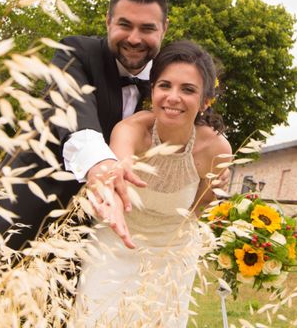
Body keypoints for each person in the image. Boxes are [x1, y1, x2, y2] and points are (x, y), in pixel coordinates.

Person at [0, 0, 230, 252]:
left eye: (147, 28)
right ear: (108, 20)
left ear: (164, 28)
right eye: (124, 25)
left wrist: (208, 170)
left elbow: (187, 124)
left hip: (95, 238)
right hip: (26, 217)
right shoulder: (75, 53)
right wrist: (101, 166)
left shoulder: (166, 79)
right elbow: (75, 110)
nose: (134, 38)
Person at [74, 40, 232, 327]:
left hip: (172, 256)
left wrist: (215, 195)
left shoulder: (217, 150)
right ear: (153, 90)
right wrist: (112, 188)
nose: (173, 97)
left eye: (188, 90)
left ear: (206, 100)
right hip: (114, 248)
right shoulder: (131, 130)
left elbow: (199, 209)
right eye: (165, 85)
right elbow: (117, 174)